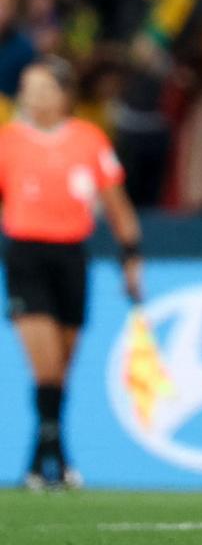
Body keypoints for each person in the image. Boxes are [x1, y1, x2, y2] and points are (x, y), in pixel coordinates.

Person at [0, 55, 142, 489]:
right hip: (25, 255)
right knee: (43, 366)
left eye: (44, 88)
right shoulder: (7, 141)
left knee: (62, 368)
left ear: (65, 96)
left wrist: (131, 256)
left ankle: (41, 461)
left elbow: (117, 205)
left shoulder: (89, 140)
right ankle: (53, 459)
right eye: (28, 87)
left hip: (72, 258)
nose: (33, 97)